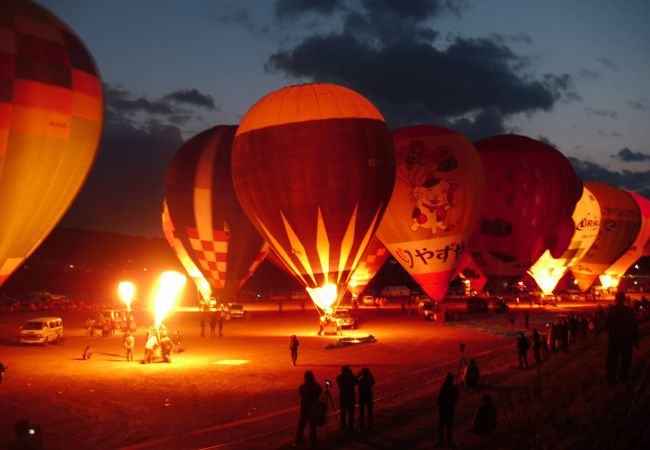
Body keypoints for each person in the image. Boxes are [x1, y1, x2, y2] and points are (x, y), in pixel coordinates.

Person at [605, 291, 639, 385]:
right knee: (625, 360)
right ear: (624, 299)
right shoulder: (629, 311)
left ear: (616, 299)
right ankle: (623, 378)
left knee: (612, 360)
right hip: (626, 340)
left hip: (614, 339)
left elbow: (606, 325)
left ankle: (611, 380)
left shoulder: (611, 310)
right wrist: (635, 339)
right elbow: (634, 326)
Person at [295, 371, 323, 448]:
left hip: (305, 409)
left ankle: (298, 441)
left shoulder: (302, 387)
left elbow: (302, 395)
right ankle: (312, 443)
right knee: (313, 427)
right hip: (313, 408)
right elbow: (320, 391)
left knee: (301, 426)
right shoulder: (316, 386)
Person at [436, 372, 459, 447]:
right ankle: (448, 442)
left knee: (442, 427)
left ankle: (441, 442)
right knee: (449, 427)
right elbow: (456, 398)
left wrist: (440, 406)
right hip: (450, 410)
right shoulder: (454, 388)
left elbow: (438, 399)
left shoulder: (443, 387)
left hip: (443, 410)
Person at [336, 365, 358, 432]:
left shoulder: (339, 377)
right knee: (351, 413)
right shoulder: (350, 377)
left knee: (343, 413)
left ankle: (343, 427)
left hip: (343, 397)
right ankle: (350, 427)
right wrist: (351, 373)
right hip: (350, 397)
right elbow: (356, 382)